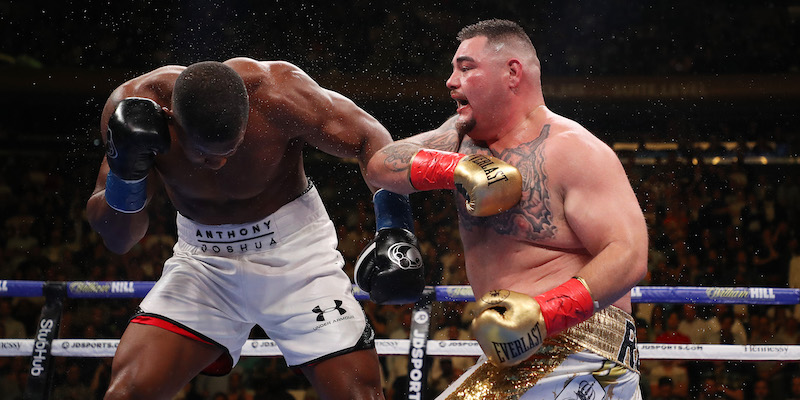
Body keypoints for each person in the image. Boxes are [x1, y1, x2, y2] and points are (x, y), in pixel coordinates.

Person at [87, 58, 425, 400]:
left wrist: (395, 226)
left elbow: (371, 138)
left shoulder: (279, 95)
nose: (219, 163)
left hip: (298, 258)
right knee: (126, 394)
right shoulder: (135, 106)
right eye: (205, 154)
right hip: (203, 265)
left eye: (231, 149)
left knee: (359, 397)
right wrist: (125, 175)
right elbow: (120, 240)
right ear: (172, 122)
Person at [365, 19, 648, 399]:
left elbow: (629, 256)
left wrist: (545, 314)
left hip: (578, 345)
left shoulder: (571, 149)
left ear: (512, 73)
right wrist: (455, 159)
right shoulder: (466, 148)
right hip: (519, 355)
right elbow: (381, 167)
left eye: (466, 68)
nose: (451, 81)